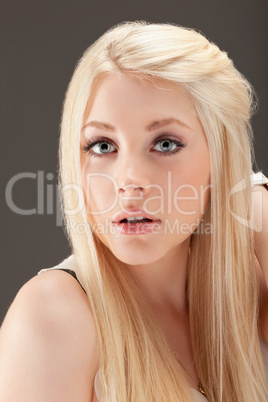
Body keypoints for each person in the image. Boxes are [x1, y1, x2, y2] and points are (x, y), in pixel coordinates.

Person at [0, 20, 268, 402]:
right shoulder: (52, 318)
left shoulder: (249, 279)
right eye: (103, 146)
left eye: (165, 143)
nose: (129, 181)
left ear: (221, 156)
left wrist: (255, 206)